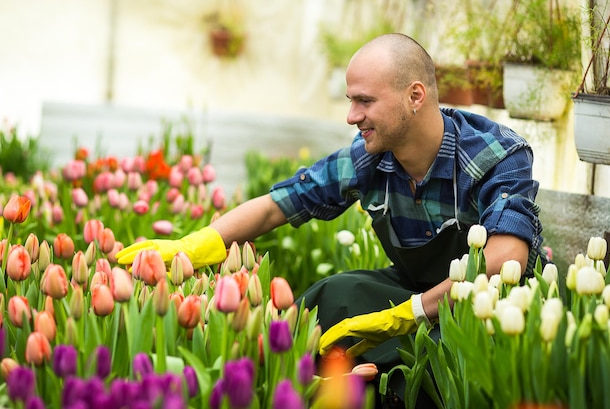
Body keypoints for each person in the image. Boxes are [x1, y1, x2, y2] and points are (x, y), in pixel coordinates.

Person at [116, 33, 546, 408]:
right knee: (335, 294)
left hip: (491, 310)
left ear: (415, 96)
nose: (351, 116)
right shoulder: (370, 159)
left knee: (438, 344)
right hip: (416, 290)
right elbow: (277, 204)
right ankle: (308, 389)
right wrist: (196, 244)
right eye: (351, 100)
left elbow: (502, 259)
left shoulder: (495, 154)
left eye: (365, 101)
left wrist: (405, 314)